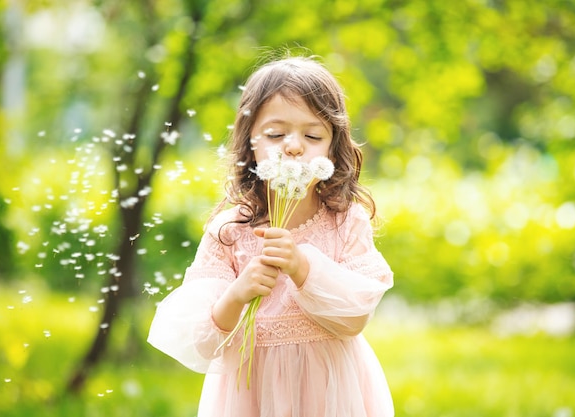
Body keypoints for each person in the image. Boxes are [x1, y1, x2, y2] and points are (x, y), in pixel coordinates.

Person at [147, 54, 395, 417]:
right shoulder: (230, 231)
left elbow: (354, 317)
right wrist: (238, 293)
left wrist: (302, 267)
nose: (293, 146)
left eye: (312, 135)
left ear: (332, 145)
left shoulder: (345, 222)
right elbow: (200, 338)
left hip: (328, 394)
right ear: (250, 142)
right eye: (276, 134)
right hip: (251, 393)